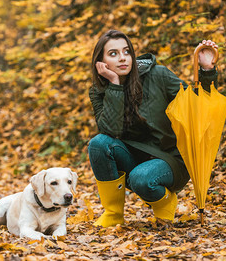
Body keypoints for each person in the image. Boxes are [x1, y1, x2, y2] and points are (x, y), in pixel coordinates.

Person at [88, 30, 218, 227]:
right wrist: (114, 85)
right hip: (134, 157)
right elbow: (110, 131)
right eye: (113, 54)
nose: (122, 58)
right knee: (98, 144)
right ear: (101, 61)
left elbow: (197, 106)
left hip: (170, 158)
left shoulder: (158, 75)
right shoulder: (99, 91)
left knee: (141, 177)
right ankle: (113, 213)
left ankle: (166, 201)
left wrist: (207, 71)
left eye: (126, 52)